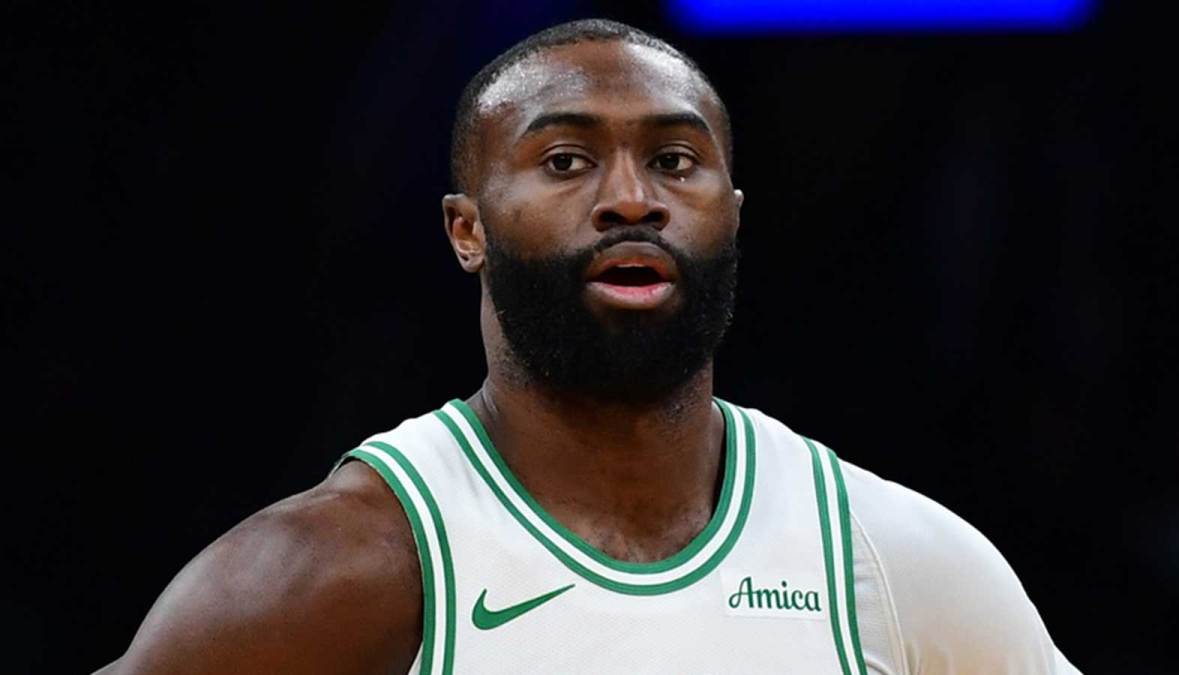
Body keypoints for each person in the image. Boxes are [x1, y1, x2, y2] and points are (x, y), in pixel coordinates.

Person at [97, 19, 1079, 675]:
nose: (630, 197)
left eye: (674, 161)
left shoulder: (887, 556)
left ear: (729, 219)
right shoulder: (344, 565)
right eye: (566, 161)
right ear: (465, 229)